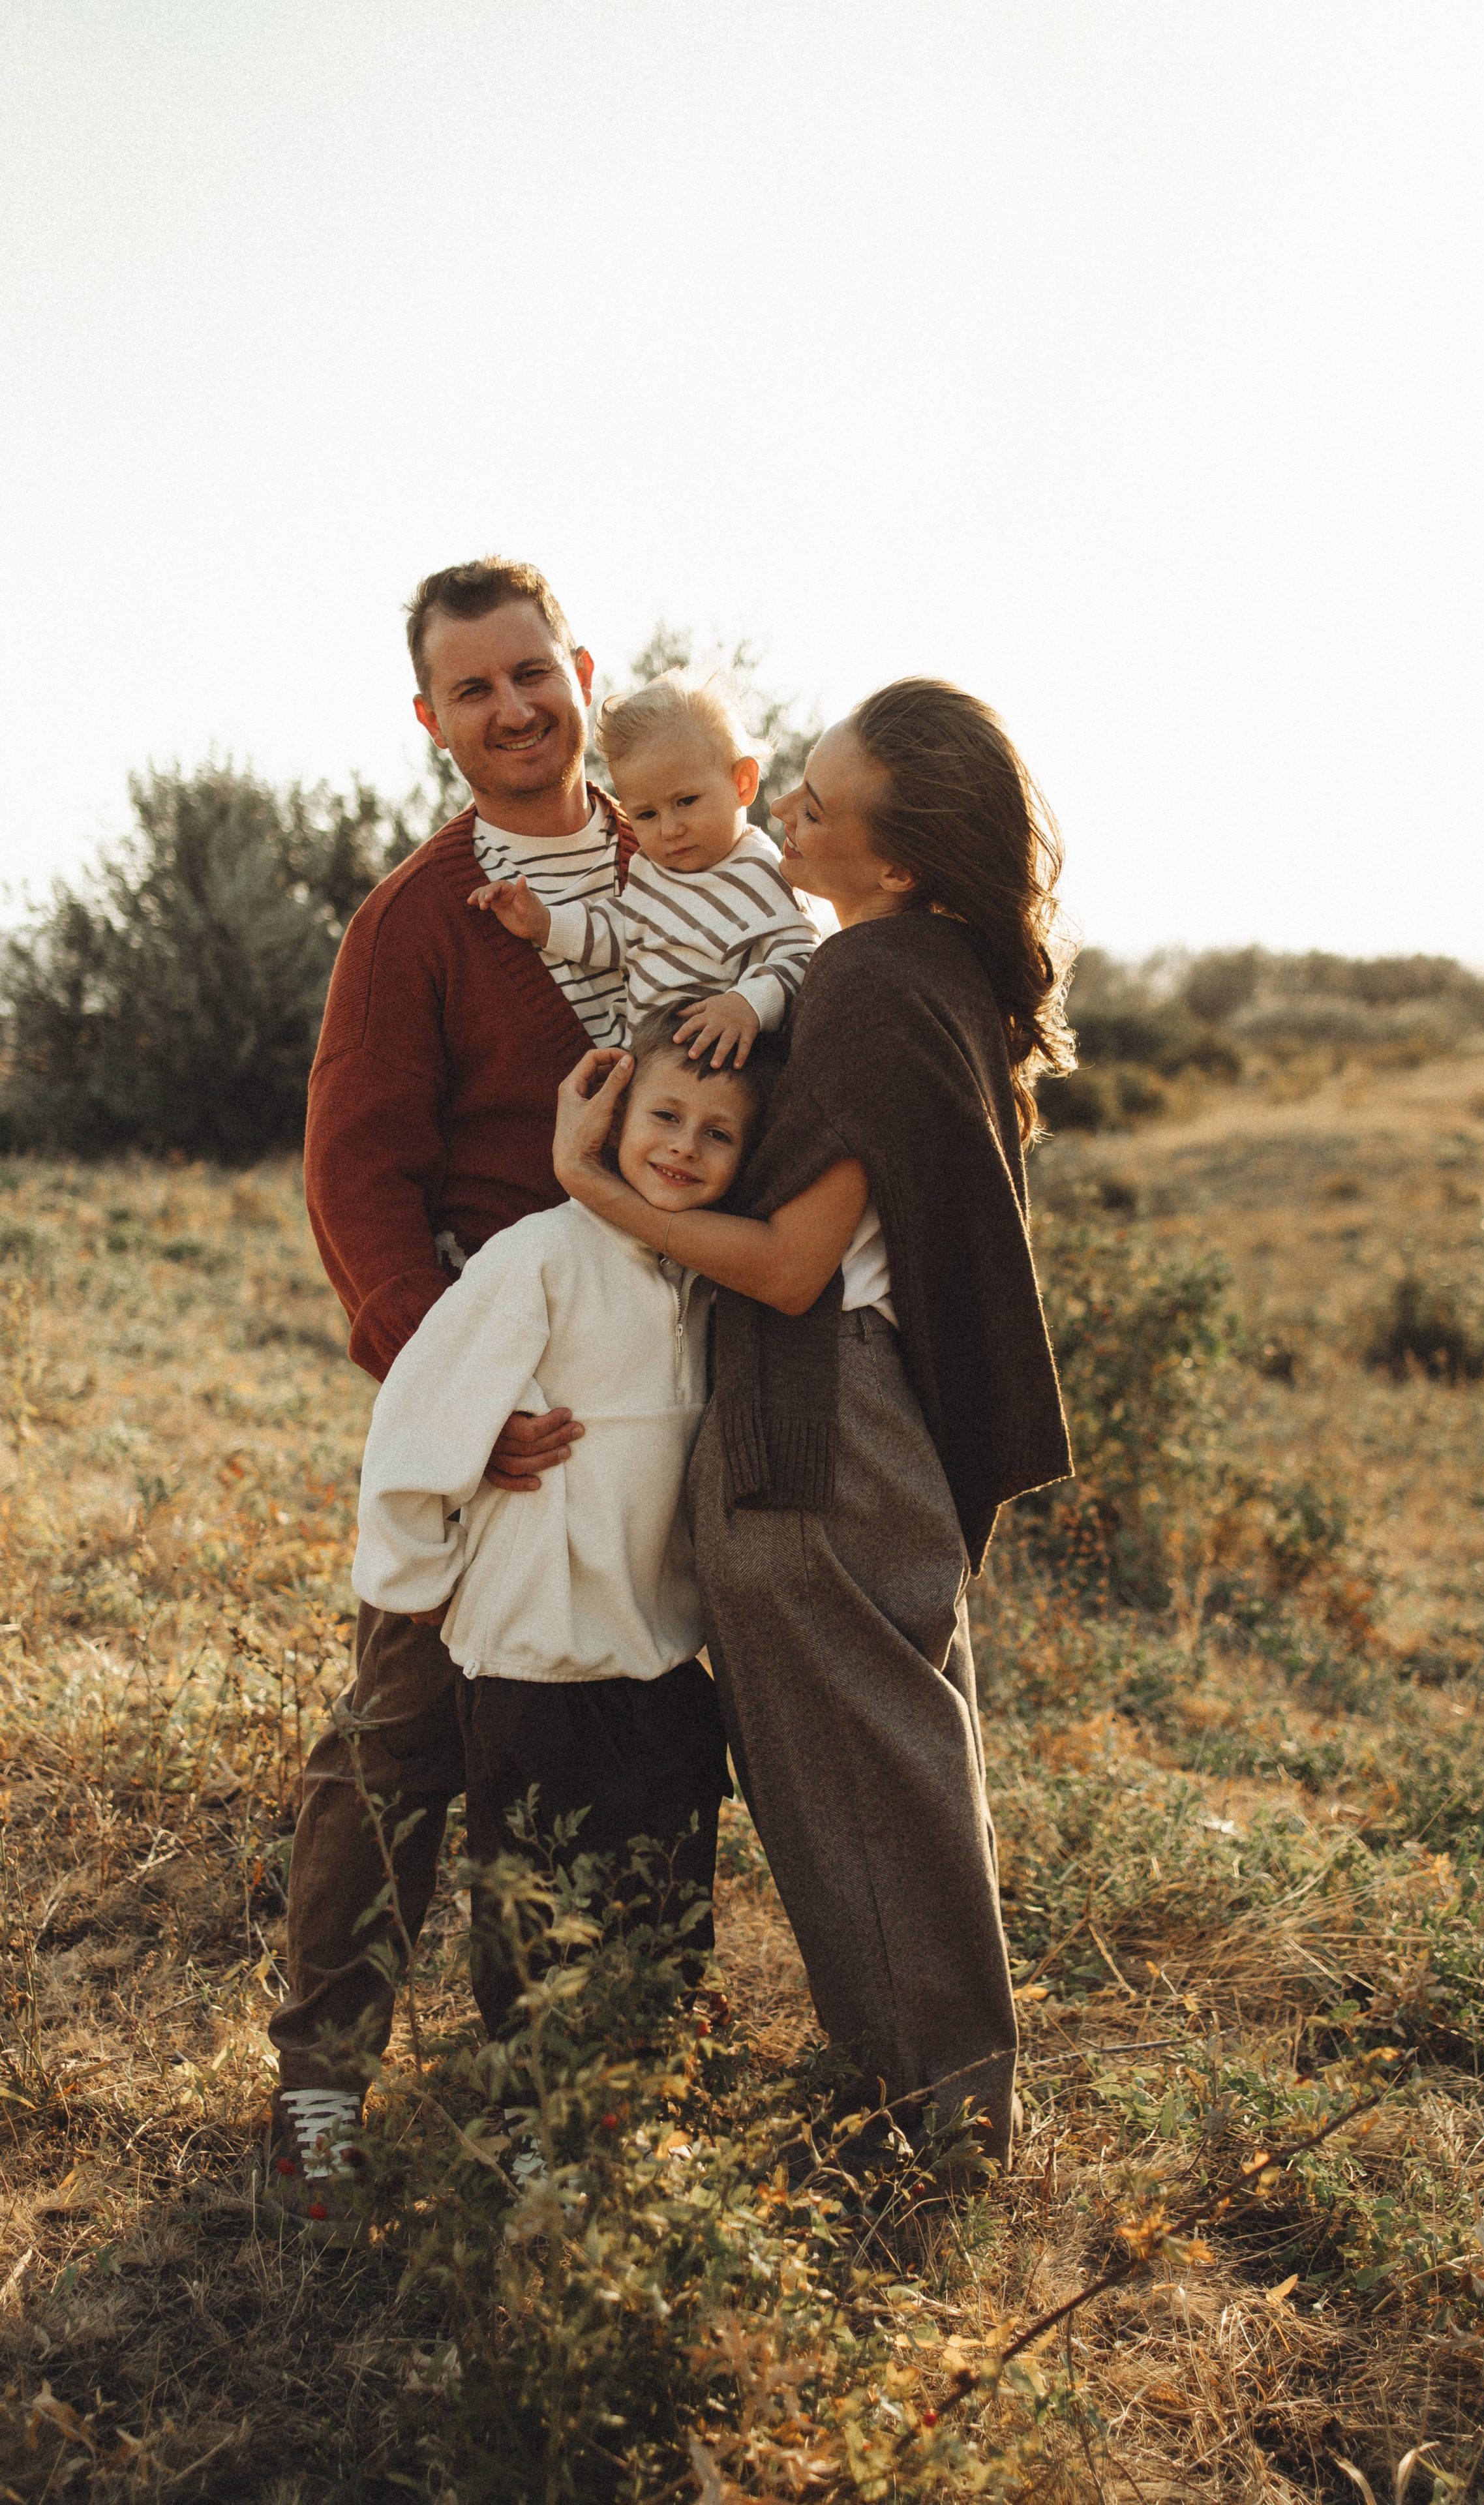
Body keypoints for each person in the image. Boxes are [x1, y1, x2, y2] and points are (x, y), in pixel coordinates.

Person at [552, 677, 1073, 2171]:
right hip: (876, 1417)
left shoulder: (860, 982)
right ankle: (932, 2111)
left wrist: (594, 1182)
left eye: (816, 804)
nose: (784, 811)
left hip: (811, 1421)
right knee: (898, 1768)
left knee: (851, 1779)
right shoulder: (935, 977)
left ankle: (933, 2136)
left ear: (895, 862)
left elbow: (784, 1266)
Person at [265, 556, 614, 2231]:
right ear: (430, 722)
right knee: (405, 1734)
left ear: (583, 672)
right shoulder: (411, 922)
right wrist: (454, 1400)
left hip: (654, 1388)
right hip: (482, 1385)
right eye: (473, 689)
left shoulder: (681, 868)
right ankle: (320, 2091)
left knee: (585, 1743)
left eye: (530, 672)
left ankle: (550, 2091)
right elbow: (357, 1179)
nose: (513, 707)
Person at [351, 1015, 773, 2153]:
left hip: (657, 1651)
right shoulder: (540, 1255)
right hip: (536, 1647)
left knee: (667, 1882)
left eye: (720, 1134)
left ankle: (646, 2094)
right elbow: (419, 1417)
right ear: (612, 1118)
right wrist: (424, 1581)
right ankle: (537, 2113)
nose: (684, 1149)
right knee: (533, 1896)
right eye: (665, 1118)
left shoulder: (707, 1273)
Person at [469, 667, 815, 1069]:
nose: (670, 829)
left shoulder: (762, 870)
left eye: (686, 801)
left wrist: (748, 1004)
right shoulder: (650, 871)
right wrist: (543, 923)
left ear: (742, 783)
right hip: (650, 1067)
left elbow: (801, 956)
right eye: (647, 814)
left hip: (725, 1069)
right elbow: (617, 930)